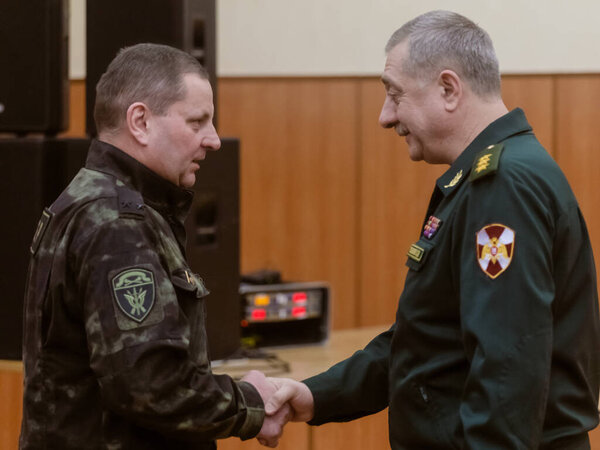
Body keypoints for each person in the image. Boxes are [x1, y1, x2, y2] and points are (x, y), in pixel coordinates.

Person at [264, 10, 600, 449]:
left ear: (448, 88)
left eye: (394, 94)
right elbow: (426, 342)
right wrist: (316, 395)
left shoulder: (502, 185)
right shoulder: (488, 178)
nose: (386, 116)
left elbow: (507, 369)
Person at [20, 43, 287, 449]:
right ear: (140, 122)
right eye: (197, 122)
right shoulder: (118, 224)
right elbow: (151, 387)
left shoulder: (91, 200)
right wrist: (250, 403)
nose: (213, 140)